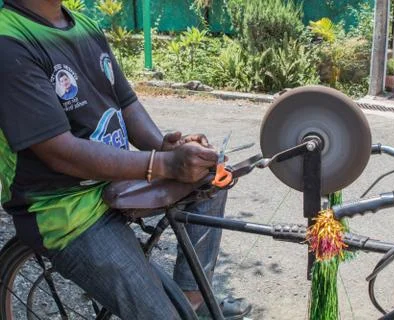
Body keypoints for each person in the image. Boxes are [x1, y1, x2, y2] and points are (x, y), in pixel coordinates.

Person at [0, 0, 251, 319]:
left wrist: (164, 148)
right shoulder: (8, 42)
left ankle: (193, 303)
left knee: (211, 178)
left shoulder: (84, 26)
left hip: (116, 178)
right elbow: (58, 151)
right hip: (67, 213)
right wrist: (164, 164)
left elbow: (126, 103)